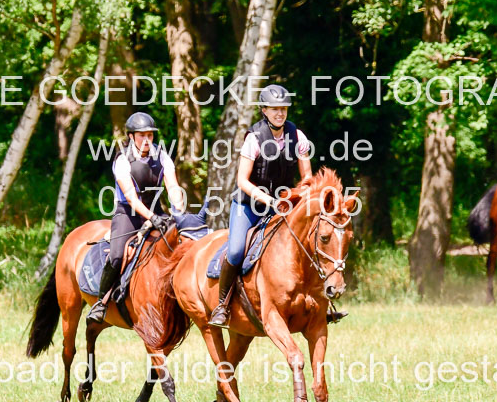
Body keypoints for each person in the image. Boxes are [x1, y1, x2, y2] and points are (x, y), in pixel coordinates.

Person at [208, 84, 347, 328]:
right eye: (274, 109)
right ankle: (222, 305)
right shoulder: (254, 138)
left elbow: (307, 178)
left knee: (309, 242)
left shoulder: (298, 137)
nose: (280, 113)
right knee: (237, 250)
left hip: (283, 204)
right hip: (249, 205)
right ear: (264, 110)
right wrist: (269, 200)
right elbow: (242, 181)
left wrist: (300, 196)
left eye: (283, 109)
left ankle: (319, 304)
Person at [86, 112, 186, 323]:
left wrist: (178, 210)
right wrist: (152, 217)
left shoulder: (162, 156)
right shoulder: (123, 160)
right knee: (116, 256)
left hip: (156, 210)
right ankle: (101, 302)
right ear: (131, 136)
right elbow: (131, 198)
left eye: (150, 135)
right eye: (142, 135)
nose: (147, 140)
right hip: (128, 215)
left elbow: (173, 186)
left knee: (182, 243)